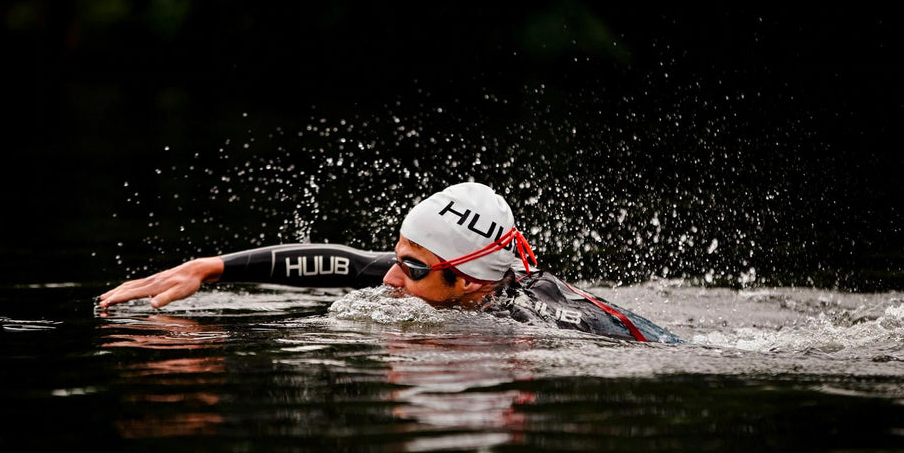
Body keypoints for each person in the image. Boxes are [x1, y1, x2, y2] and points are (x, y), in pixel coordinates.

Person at [98, 182, 682, 343]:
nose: (388, 276)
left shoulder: (551, 325)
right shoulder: (431, 272)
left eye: (413, 269)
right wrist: (210, 267)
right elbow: (338, 260)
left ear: (472, 284)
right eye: (397, 257)